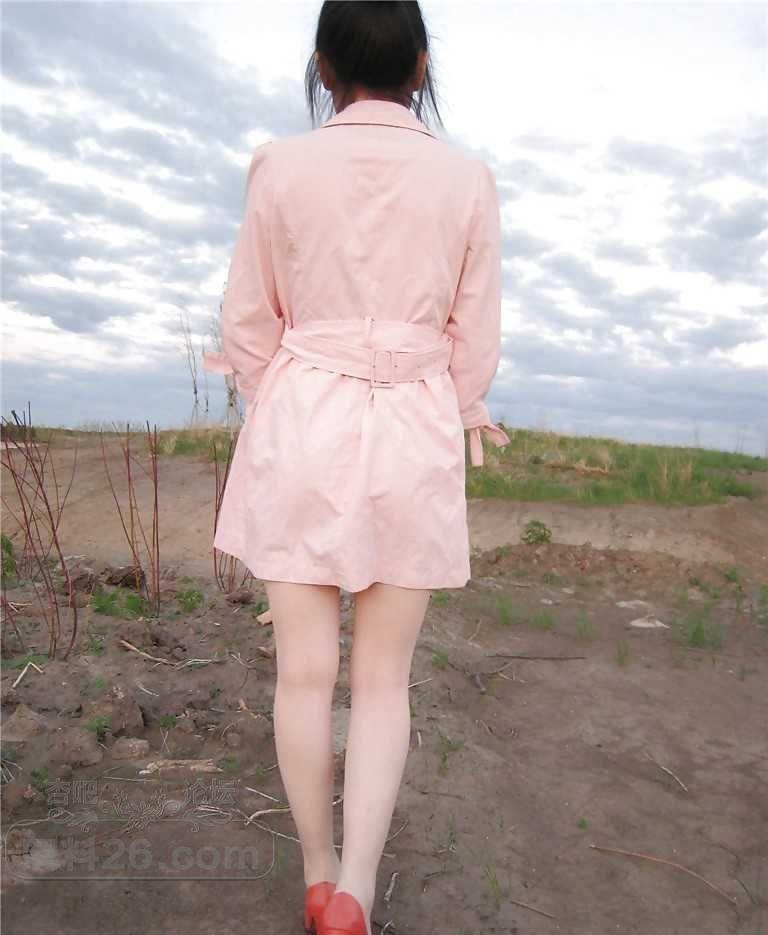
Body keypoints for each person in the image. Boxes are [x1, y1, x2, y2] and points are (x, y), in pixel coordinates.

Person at [203, 3, 509, 933]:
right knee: (384, 680)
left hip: (302, 415)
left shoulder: (280, 167)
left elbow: (248, 320)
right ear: (420, 66)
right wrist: (453, 402)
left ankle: (317, 872)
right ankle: (357, 895)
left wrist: (286, 398)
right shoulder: (466, 179)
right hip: (413, 422)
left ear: (323, 67)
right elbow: (474, 338)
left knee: (303, 673)